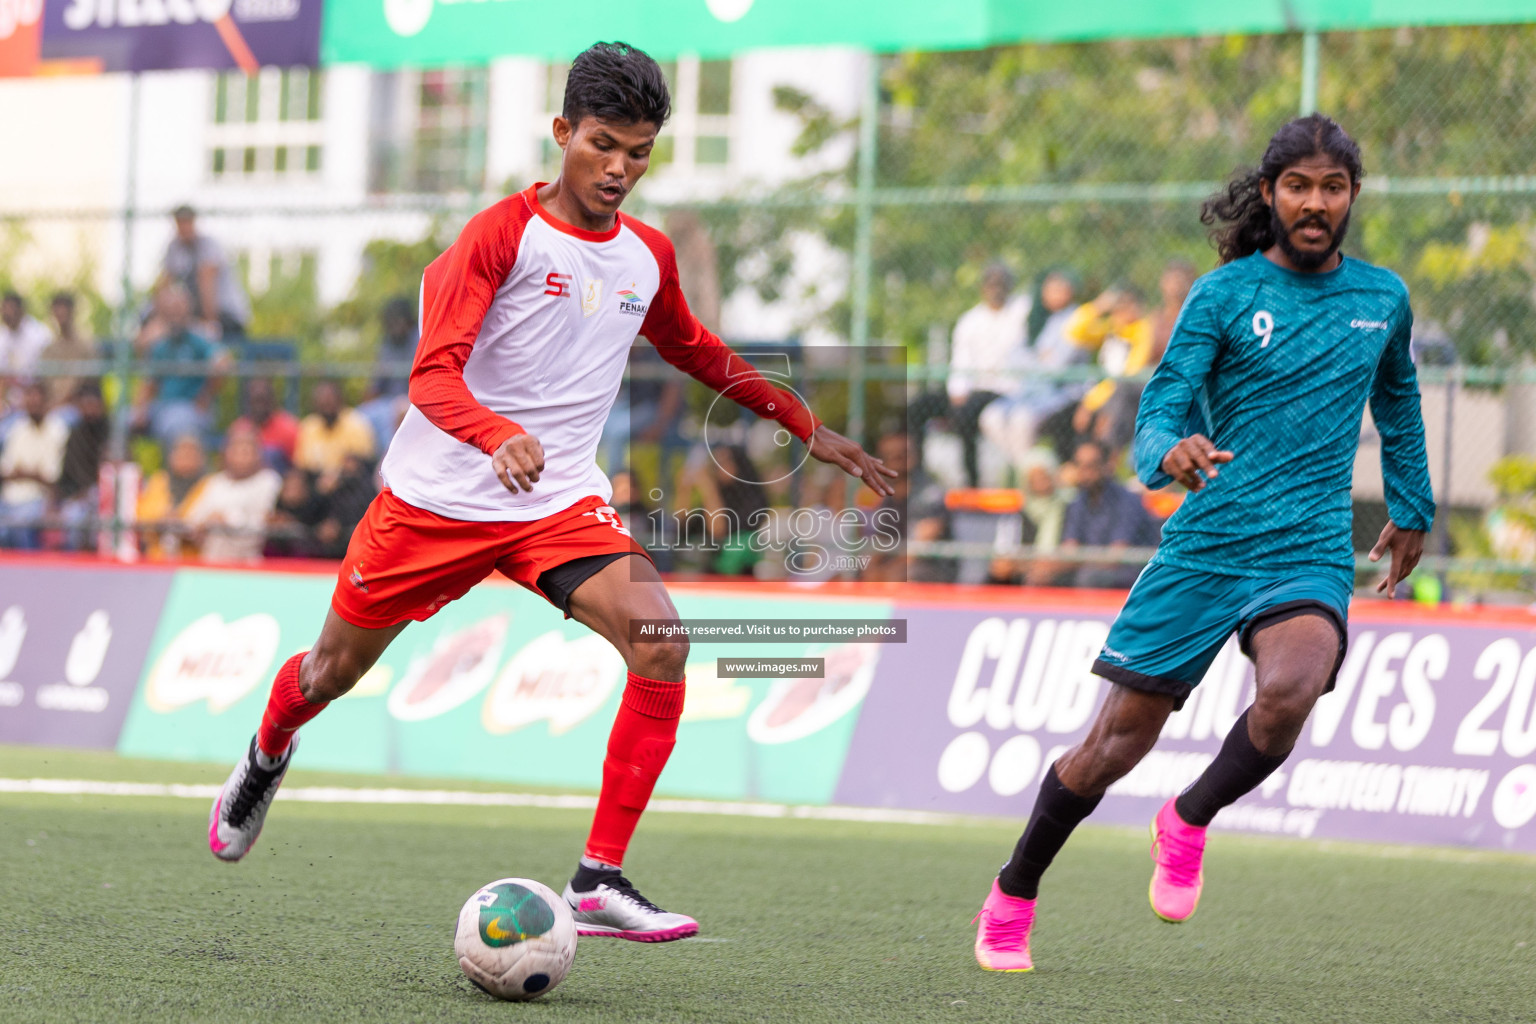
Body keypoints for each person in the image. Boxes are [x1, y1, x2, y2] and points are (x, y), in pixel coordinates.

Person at [206, 41, 894, 944]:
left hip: (556, 503)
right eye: (603, 144)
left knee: (662, 642)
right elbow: (431, 378)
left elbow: (697, 350)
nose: (619, 169)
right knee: (331, 672)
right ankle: (267, 749)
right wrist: (497, 436)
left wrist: (806, 425)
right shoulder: (499, 237)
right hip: (435, 504)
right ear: (562, 131)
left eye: (640, 152)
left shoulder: (645, 255)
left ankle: (598, 880)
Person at [972, 114, 1435, 972]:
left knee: (1292, 689)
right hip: (1207, 545)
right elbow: (1163, 402)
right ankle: (1013, 890)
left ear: (1352, 199)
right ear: (1270, 193)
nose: (1315, 202)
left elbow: (1399, 400)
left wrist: (1412, 504)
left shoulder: (1382, 299)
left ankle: (1188, 817)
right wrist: (1164, 454)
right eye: (1298, 185)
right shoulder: (1223, 296)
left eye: (1333, 188)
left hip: (1307, 545)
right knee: (1111, 747)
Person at [912, 263, 1028, 487]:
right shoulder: (970, 320)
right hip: (969, 390)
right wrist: (957, 390)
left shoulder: (1020, 314)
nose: (996, 289)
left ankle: (971, 480)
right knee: (918, 407)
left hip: (1004, 390)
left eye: (1001, 284)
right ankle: (919, 474)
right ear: (982, 288)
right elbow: (960, 359)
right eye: (991, 284)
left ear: (1010, 286)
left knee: (967, 412)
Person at [979, 269, 1091, 476]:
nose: (1054, 293)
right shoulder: (1036, 318)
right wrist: (1039, 359)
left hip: (1062, 394)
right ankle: (1030, 473)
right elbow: (1012, 357)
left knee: (1021, 421)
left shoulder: (1078, 318)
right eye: (1050, 288)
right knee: (990, 417)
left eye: (1060, 288)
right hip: (1028, 392)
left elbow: (1057, 366)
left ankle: (1032, 478)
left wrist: (1034, 361)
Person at [132, 283, 230, 447]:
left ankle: (176, 472)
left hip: (190, 408)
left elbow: (223, 362)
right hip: (162, 407)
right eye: (169, 310)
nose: (174, 314)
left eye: (178, 308)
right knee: (119, 422)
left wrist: (205, 398)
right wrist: (140, 410)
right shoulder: (161, 343)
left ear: (188, 309)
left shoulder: (200, 336)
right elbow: (149, 382)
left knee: (175, 424)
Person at [1057, 439, 1160, 589]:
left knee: (1088, 577)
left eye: (1090, 466)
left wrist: (1079, 559)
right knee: (1043, 575)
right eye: (1080, 466)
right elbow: (1069, 549)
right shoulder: (1078, 501)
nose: (1085, 473)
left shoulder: (1128, 501)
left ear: (1106, 466)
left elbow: (1115, 556)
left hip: (1131, 571)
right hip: (1088, 568)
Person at [1066, 284, 1153, 452]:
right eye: (1120, 305)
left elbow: (1129, 375)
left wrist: (1091, 403)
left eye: (1128, 304)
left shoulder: (1143, 329)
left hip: (1123, 397)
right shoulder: (1112, 328)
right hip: (1098, 394)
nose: (1123, 309)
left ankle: (1109, 461)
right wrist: (1099, 306)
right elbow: (1075, 332)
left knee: (1107, 419)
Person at [184, 426, 283, 564]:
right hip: (212, 562)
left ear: (258, 454)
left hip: (250, 564)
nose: (241, 456)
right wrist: (205, 522)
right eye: (235, 450)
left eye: (246, 451)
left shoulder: (268, 481)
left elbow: (262, 524)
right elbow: (192, 521)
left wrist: (227, 519)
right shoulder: (215, 482)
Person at [160, 204, 252, 341]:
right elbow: (164, 285)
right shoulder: (175, 248)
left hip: (225, 314)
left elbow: (207, 284)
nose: (183, 227)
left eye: (186, 222)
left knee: (199, 334)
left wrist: (211, 323)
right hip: (197, 315)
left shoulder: (208, 245)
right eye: (180, 223)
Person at [0, 381, 67, 549]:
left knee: (22, 524)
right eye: (29, 402)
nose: (33, 406)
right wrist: (32, 473)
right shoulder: (18, 428)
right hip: (10, 498)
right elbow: (6, 470)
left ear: (46, 403)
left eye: (37, 402)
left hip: (38, 500)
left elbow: (51, 477)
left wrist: (24, 472)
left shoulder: (57, 429)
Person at [358, 297, 420, 449]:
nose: (395, 325)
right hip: (388, 401)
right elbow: (375, 387)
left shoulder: (419, 339)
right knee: (359, 417)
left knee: (394, 416)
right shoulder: (387, 344)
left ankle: (388, 461)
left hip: (414, 401)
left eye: (398, 320)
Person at [136, 433, 209, 559]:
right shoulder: (159, 481)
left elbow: (208, 519)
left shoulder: (209, 485)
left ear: (201, 458)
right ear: (171, 456)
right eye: (181, 453)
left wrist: (181, 522)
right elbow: (142, 515)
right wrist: (161, 519)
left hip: (194, 558)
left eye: (191, 453)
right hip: (157, 557)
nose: (186, 458)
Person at [56, 381, 110, 549]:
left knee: (102, 520)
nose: (90, 410)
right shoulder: (76, 434)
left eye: (94, 405)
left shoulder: (110, 432)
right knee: (73, 516)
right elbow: (68, 472)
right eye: (85, 405)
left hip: (105, 494)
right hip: (78, 494)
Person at [294, 380, 377, 479]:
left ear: (340, 401)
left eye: (330, 402)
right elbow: (301, 464)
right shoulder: (309, 426)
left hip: (347, 481)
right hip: (316, 482)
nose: (327, 407)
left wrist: (336, 476)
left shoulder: (356, 423)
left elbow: (362, 460)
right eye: (323, 403)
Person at [38, 292, 98, 412]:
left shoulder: (86, 347)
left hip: (77, 408)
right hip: (49, 407)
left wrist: (61, 403)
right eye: (57, 310)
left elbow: (85, 384)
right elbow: (45, 384)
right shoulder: (48, 349)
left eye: (64, 310)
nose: (60, 315)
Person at [231, 378, 300, 472]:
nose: (259, 406)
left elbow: (297, 468)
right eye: (255, 401)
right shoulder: (239, 428)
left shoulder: (289, 428)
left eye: (263, 400)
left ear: (272, 401)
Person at [0, 292, 53, 414]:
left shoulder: (40, 335)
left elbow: (45, 377)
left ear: (20, 310)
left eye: (10, 309)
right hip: (9, 402)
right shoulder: (2, 336)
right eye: (4, 310)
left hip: (36, 400)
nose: (7, 314)